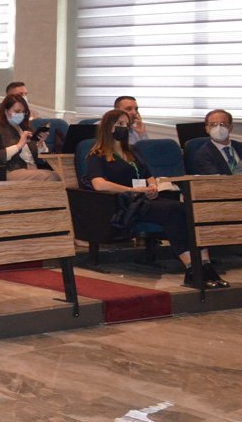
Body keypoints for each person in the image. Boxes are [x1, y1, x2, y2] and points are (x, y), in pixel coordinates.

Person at [84, 109, 228, 288]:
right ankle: (192, 268)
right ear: (108, 127)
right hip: (123, 204)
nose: (124, 128)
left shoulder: (132, 151)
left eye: (126, 124)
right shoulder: (97, 154)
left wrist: (152, 187)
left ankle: (205, 265)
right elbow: (99, 184)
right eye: (120, 124)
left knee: (188, 209)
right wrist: (132, 190)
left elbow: (149, 176)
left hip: (144, 199)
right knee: (172, 210)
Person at [0, 94, 58, 181]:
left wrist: (40, 143)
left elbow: (42, 160)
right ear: (6, 111)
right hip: (11, 170)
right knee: (52, 176)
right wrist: (19, 145)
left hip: (32, 169)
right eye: (17, 111)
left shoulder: (26, 128)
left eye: (23, 112)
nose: (21, 114)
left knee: (61, 174)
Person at [192, 109, 242, 175]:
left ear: (230, 128)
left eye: (223, 124)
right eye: (213, 124)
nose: (218, 128)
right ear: (207, 129)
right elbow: (216, 179)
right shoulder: (203, 155)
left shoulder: (240, 146)